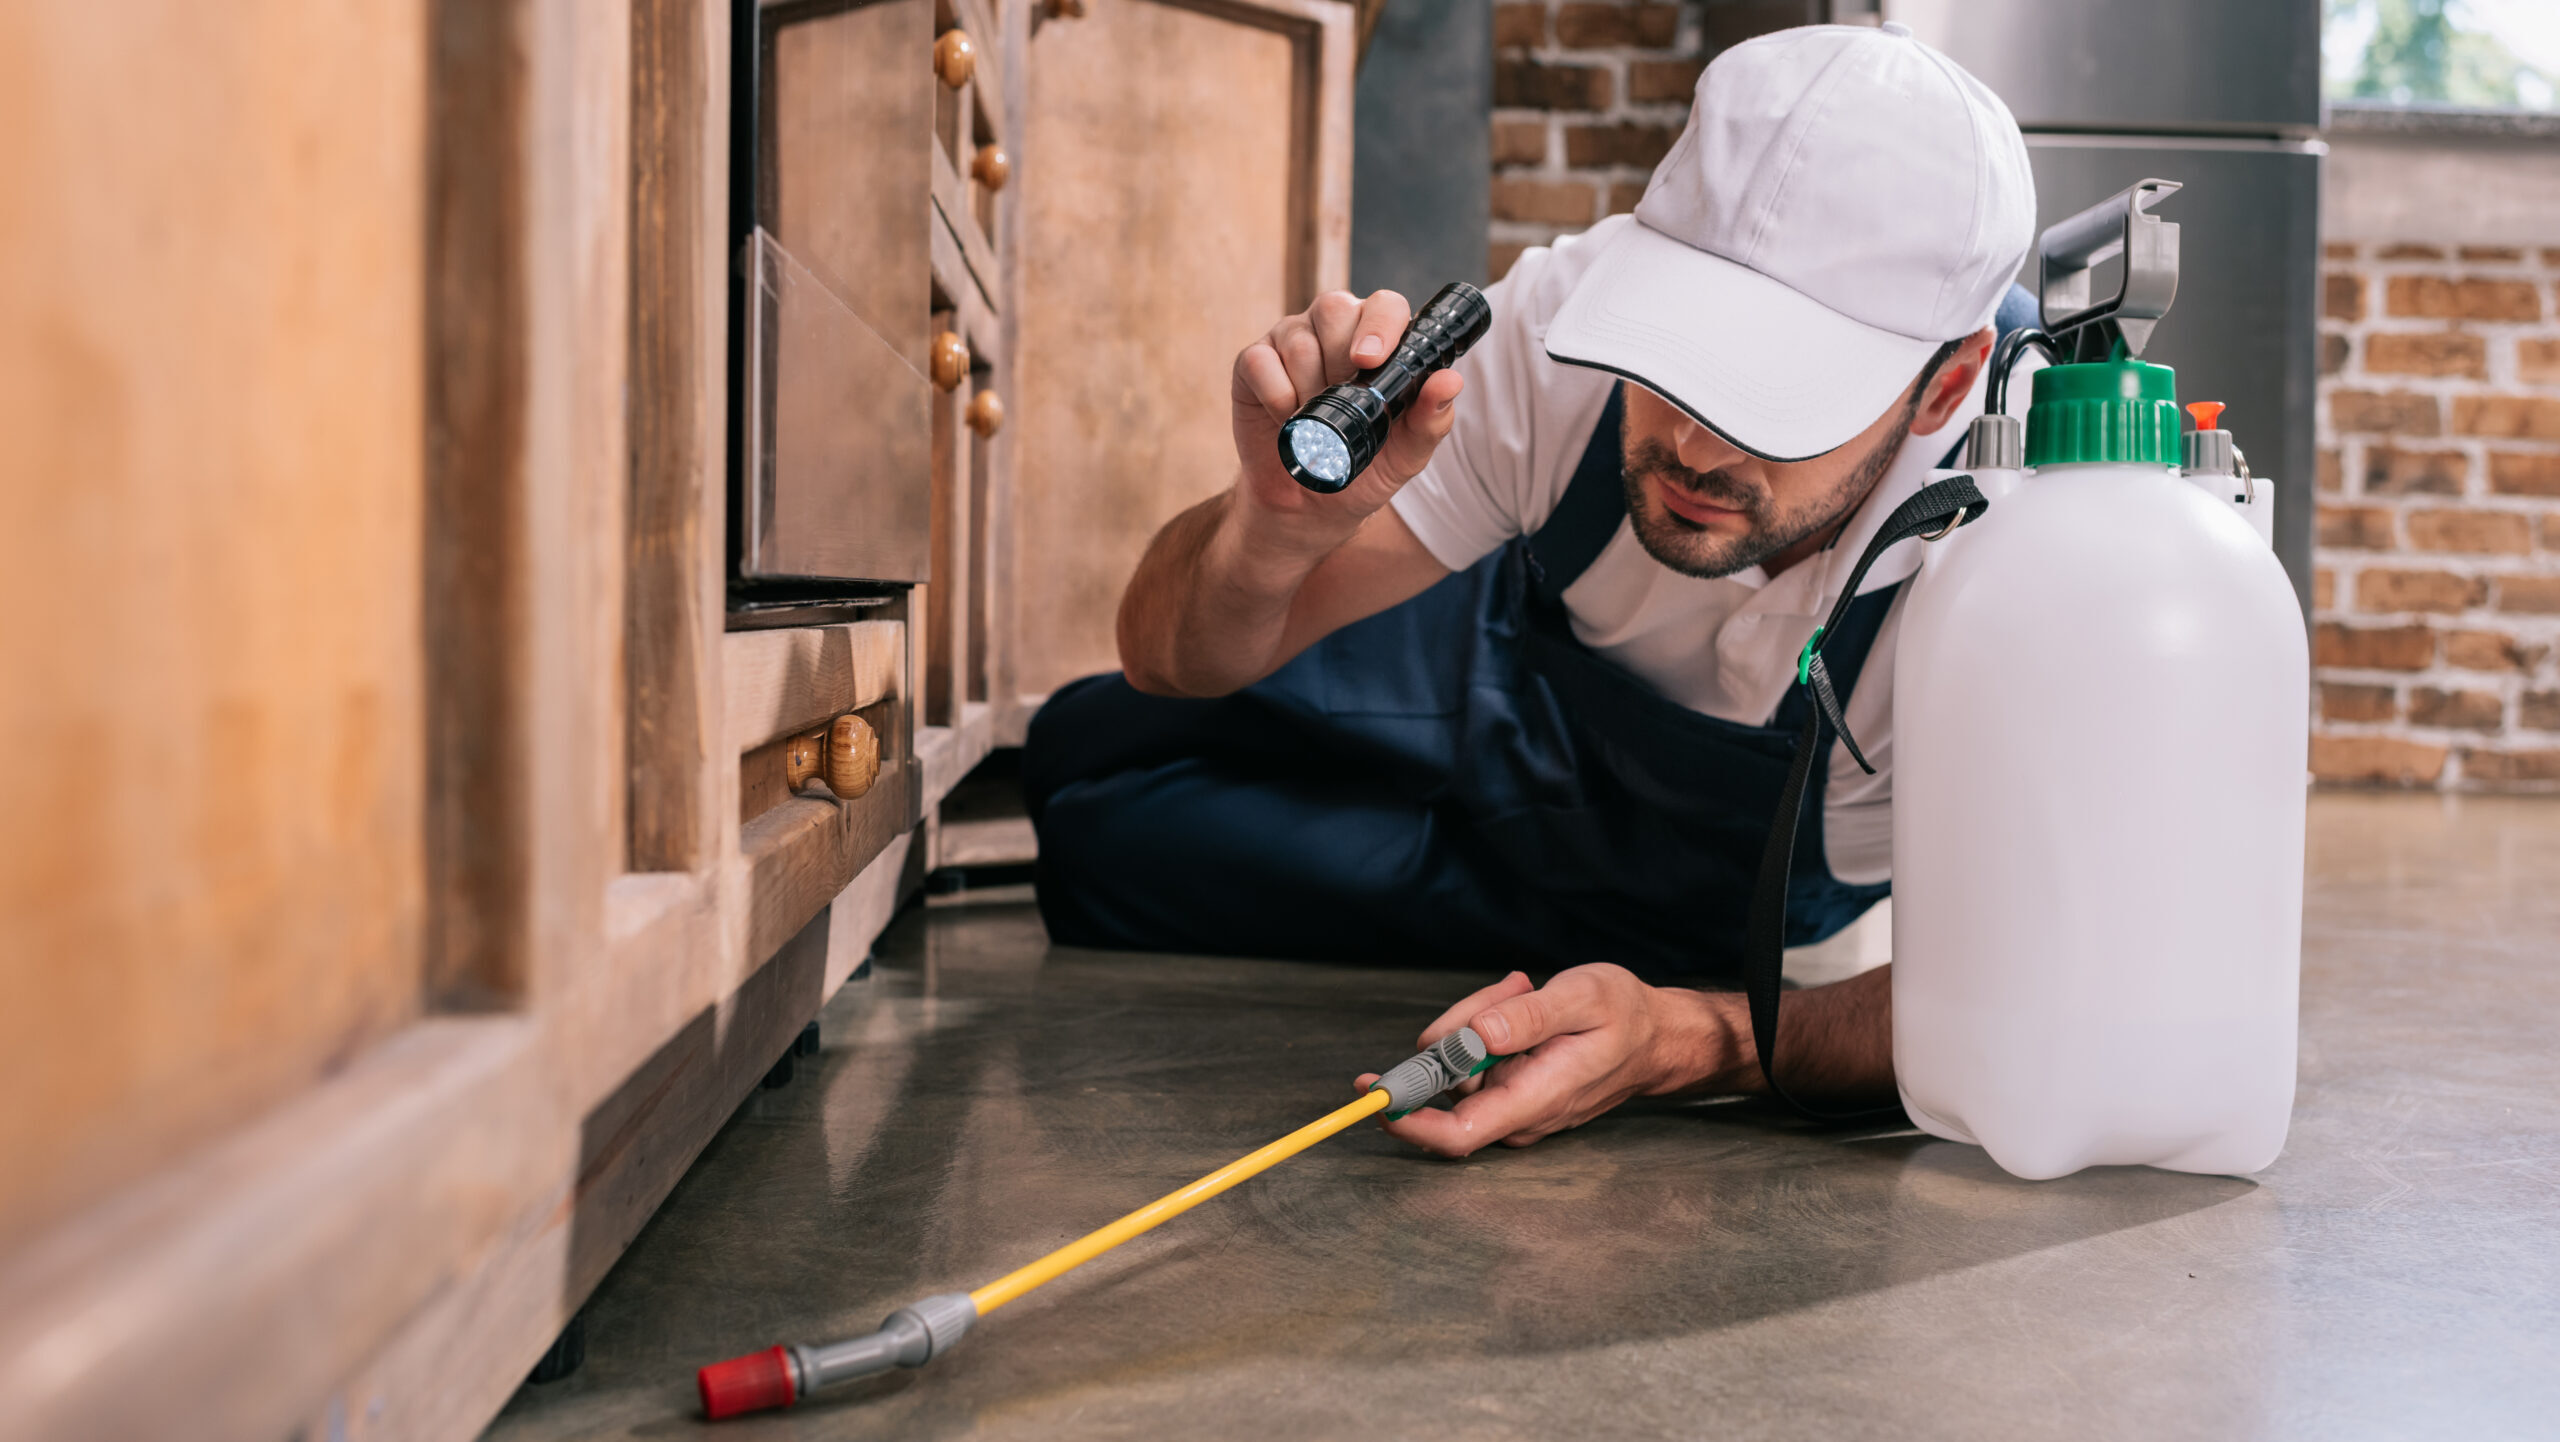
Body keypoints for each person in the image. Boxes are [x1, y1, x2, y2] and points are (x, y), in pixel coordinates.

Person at [1023, 24, 2038, 1155]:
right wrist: (1268, 533)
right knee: (1083, 741)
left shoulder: (2038, 550)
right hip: (1510, 664)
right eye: (1675, 354)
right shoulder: (1560, 320)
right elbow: (1168, 656)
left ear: (1943, 387)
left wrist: (1693, 1035)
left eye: (1774, 398)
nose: (1695, 441)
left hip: (1693, 895)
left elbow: (2044, 994)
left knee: (1110, 855)